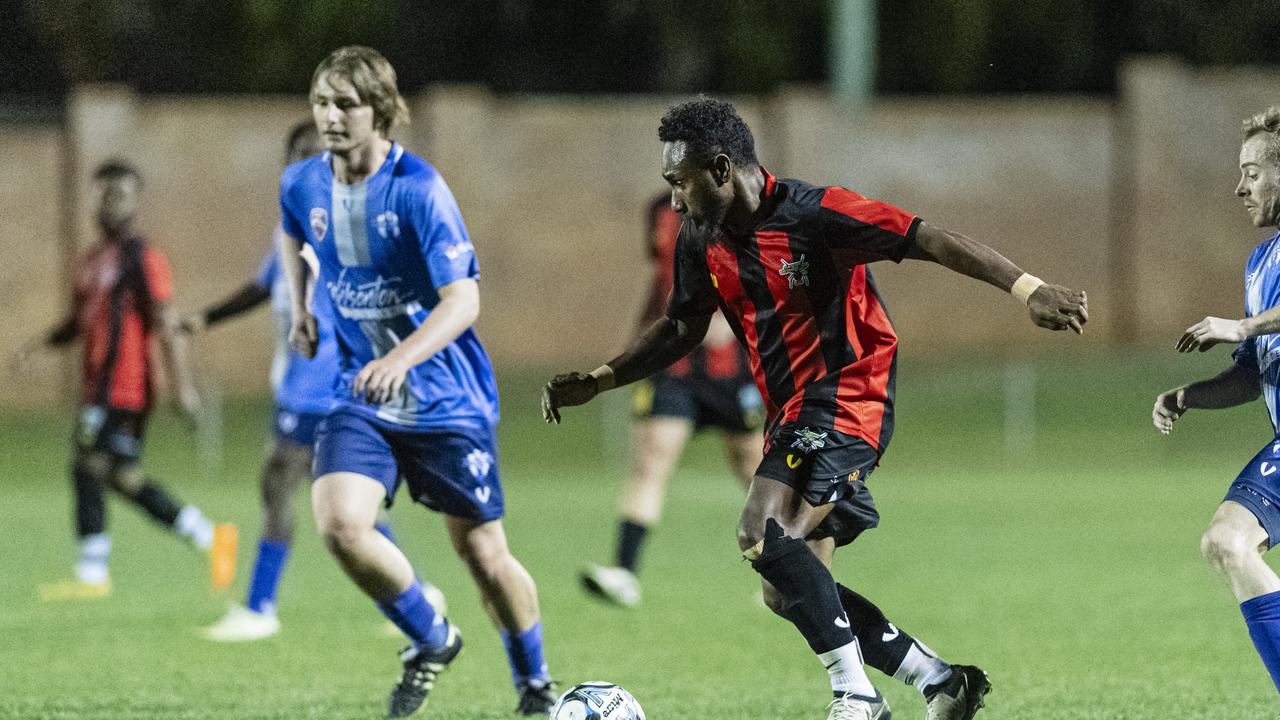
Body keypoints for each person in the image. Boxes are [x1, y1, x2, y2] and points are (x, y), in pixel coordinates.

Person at [543, 97, 1088, 720]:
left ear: (721, 169)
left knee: (760, 531)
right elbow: (679, 328)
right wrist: (601, 378)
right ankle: (939, 678)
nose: (673, 201)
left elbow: (929, 239)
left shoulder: (818, 214)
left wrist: (1029, 289)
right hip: (792, 415)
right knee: (785, 587)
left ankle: (857, 698)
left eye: (679, 182)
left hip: (851, 396)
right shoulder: (702, 238)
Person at [278, 46, 555, 717]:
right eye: (322, 102)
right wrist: (302, 306)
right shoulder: (304, 184)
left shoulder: (418, 191)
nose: (332, 116)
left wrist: (400, 359)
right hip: (362, 396)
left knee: (483, 554)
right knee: (341, 523)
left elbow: (464, 301)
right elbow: (292, 233)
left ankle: (535, 685)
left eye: (347, 104)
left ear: (381, 111)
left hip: (445, 400)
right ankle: (431, 637)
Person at [188, 122, 445, 641]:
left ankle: (261, 608)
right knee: (340, 503)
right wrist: (205, 319)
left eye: (317, 155)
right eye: (297, 156)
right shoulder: (291, 230)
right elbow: (265, 287)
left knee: (282, 479)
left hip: (327, 384)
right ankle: (415, 591)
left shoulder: (344, 228)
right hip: (297, 382)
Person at [14, 159, 236, 601]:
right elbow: (80, 321)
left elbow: (165, 321)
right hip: (97, 386)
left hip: (125, 387)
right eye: (106, 194)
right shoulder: (92, 261)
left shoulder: (142, 256)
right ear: (94, 198)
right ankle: (209, 536)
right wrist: (39, 344)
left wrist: (183, 388)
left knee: (87, 466)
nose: (113, 203)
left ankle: (92, 576)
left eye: (123, 195)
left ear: (136, 202)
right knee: (119, 476)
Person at [581, 193, 763, 607]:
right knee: (649, 461)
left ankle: (788, 573)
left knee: (754, 471)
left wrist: (737, 319)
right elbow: (662, 279)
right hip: (673, 365)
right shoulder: (659, 210)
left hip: (731, 369)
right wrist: (638, 341)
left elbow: (765, 273)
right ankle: (624, 574)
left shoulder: (746, 209)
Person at [1157, 106, 1280, 693]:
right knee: (1228, 542)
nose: (1239, 188)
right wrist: (1189, 396)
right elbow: (1256, 374)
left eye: (1252, 173)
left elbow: (1254, 335)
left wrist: (1243, 325)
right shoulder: (1260, 264)